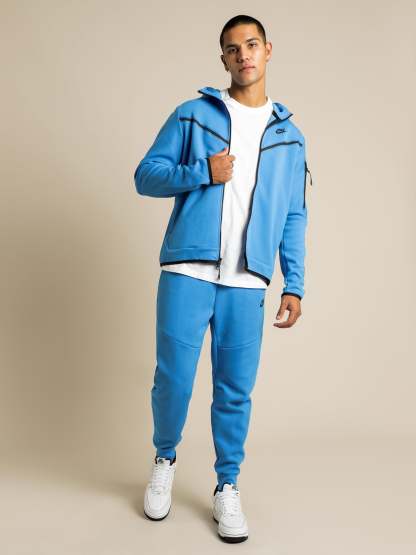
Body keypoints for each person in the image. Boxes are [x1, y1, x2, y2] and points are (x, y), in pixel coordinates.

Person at [133, 14, 312, 543]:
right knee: (174, 378)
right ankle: (164, 460)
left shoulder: (290, 137)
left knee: (235, 389)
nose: (243, 55)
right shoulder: (192, 115)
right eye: (233, 49)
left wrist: (294, 282)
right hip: (188, 270)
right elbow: (146, 176)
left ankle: (227, 485)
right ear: (224, 60)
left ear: (268, 49)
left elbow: (294, 213)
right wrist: (201, 173)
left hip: (248, 280)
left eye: (251, 44)